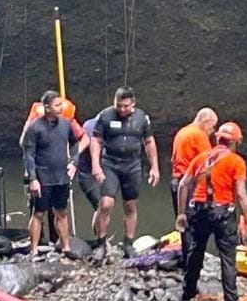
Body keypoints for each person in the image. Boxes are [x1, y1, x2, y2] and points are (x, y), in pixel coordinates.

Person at [176, 122, 247, 301]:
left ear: (217, 139)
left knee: (196, 251)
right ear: (236, 142)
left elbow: (183, 184)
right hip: (222, 213)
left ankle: (188, 291)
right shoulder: (236, 161)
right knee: (228, 258)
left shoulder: (201, 158)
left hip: (198, 210)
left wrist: (181, 213)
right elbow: (241, 194)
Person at [90, 86, 160, 259]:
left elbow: (149, 141)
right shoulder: (105, 116)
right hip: (110, 164)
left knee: (130, 205)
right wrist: (95, 165)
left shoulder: (141, 118)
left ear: (133, 104)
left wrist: (155, 167)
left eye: (126, 106)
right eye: (119, 105)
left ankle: (128, 243)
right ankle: (101, 243)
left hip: (132, 165)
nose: (122, 109)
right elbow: (96, 140)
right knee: (106, 204)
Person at [21, 90, 87, 256]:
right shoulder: (35, 128)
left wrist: (74, 162)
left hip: (61, 175)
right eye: (57, 105)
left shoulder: (65, 124)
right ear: (47, 107)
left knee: (61, 212)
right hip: (43, 176)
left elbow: (75, 143)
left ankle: (65, 247)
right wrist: (33, 178)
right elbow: (29, 155)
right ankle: (34, 249)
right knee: (39, 213)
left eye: (61, 104)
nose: (60, 108)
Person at [170, 107, 217, 216]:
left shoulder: (182, 132)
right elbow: (208, 163)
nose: (213, 130)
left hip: (176, 183)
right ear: (205, 122)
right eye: (213, 126)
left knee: (182, 220)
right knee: (195, 223)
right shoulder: (200, 135)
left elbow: (173, 159)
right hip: (189, 185)